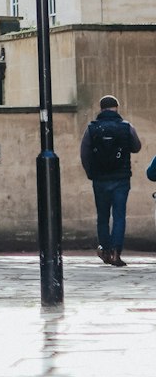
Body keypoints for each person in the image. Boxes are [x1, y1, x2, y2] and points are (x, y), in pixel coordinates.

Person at [80, 94, 142, 266]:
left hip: (99, 179)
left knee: (102, 216)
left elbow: (84, 153)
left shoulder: (92, 129)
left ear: (101, 108)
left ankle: (105, 251)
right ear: (117, 107)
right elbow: (136, 147)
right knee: (119, 216)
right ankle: (116, 251)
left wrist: (90, 173)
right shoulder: (126, 127)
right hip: (121, 178)